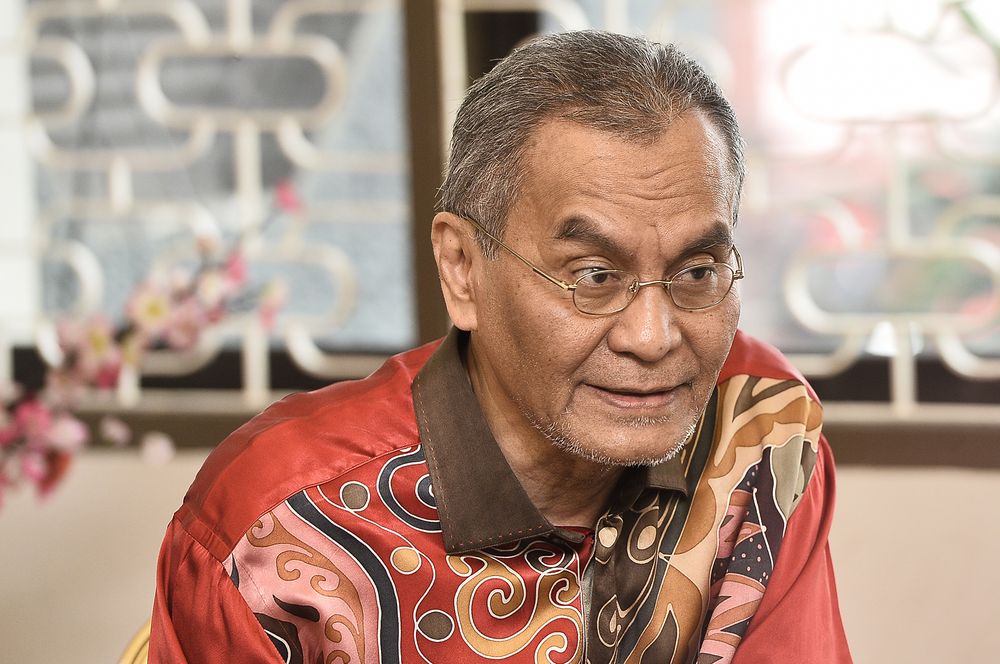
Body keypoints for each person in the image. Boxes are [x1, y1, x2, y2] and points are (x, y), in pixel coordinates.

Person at [150, 30, 851, 663]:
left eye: (696, 273)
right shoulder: (275, 525)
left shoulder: (760, 429)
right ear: (462, 267)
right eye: (594, 277)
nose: (652, 337)